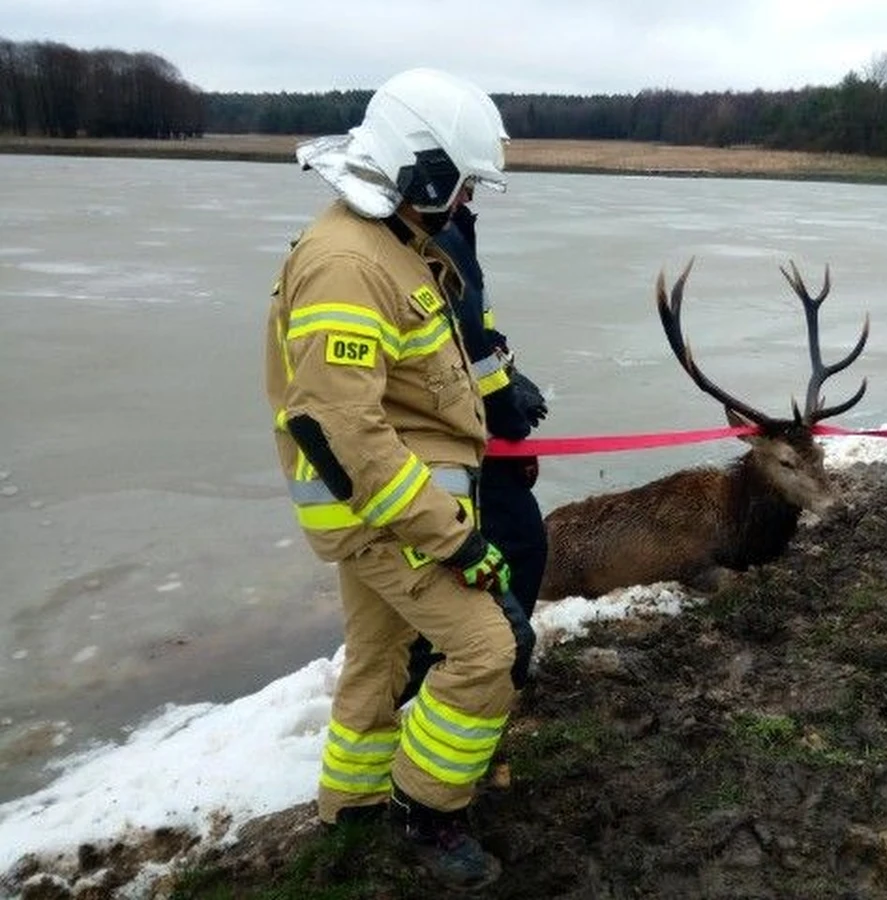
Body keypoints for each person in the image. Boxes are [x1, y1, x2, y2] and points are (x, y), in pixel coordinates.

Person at [264, 68, 534, 892]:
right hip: (391, 514)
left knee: (379, 657)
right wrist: (457, 539)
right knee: (489, 651)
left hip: (393, 507)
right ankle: (429, 811)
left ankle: (349, 805)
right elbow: (345, 429)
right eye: (458, 187)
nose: (463, 206)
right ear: (421, 170)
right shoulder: (349, 264)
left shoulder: (389, 246)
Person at [397, 193, 549, 709]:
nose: (469, 194)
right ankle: (478, 683)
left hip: (462, 430)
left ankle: (456, 679)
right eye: (464, 182)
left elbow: (478, 330)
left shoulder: (447, 226)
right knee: (518, 547)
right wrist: (508, 410)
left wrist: (510, 373)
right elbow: (468, 349)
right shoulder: (438, 234)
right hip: (455, 436)